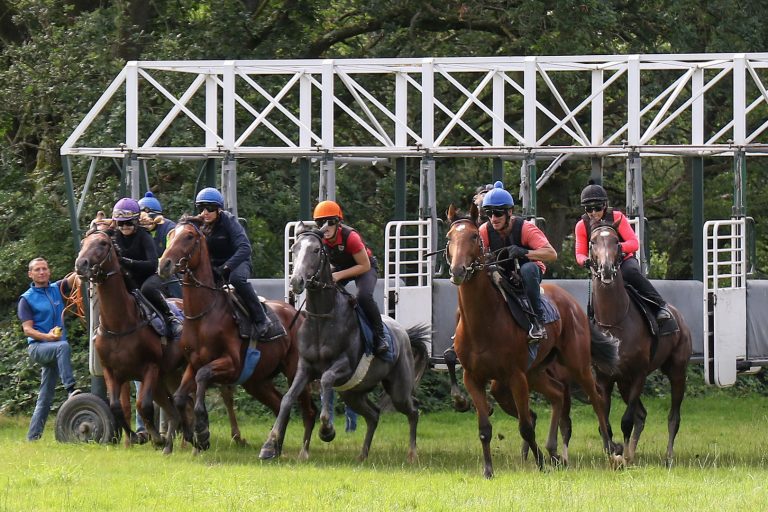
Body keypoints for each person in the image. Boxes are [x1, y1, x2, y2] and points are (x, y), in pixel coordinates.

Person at [574, 181, 672, 321]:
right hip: (600, 264)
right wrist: (585, 261)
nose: (594, 213)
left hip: (623, 261)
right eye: (589, 209)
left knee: (630, 272)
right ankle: (592, 320)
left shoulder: (617, 217)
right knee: (597, 285)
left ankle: (659, 305)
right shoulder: (581, 226)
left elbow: (634, 243)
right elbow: (579, 253)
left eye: (597, 207)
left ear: (605, 205)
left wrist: (616, 248)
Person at [481, 181, 557, 340]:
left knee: (528, 269)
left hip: (529, 273)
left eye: (498, 213)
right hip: (502, 272)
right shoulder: (484, 231)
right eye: (489, 213)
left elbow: (551, 254)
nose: (493, 218)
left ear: (510, 212)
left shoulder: (526, 228)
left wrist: (525, 252)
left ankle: (538, 320)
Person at [195, 187, 273, 339]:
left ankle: (261, 318)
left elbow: (245, 248)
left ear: (219, 210)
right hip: (215, 266)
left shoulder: (229, 221)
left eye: (210, 208)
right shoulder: (199, 224)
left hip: (238, 261)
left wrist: (226, 267)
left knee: (236, 279)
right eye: (201, 208)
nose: (205, 212)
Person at [313, 200, 388, 357]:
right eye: (320, 222)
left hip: (364, 267)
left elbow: (364, 266)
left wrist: (338, 275)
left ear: (338, 223)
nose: (325, 227)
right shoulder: (320, 239)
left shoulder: (351, 237)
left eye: (330, 222)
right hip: (340, 268)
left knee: (364, 296)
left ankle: (380, 336)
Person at [17, 257, 81, 441]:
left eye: (44, 268)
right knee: (63, 346)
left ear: (49, 271)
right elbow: (27, 329)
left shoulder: (56, 289)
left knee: (45, 397)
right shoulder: (26, 299)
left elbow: (77, 277)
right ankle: (71, 389)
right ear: (31, 274)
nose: (42, 272)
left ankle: (32, 437)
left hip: (54, 349)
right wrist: (48, 337)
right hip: (38, 348)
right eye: (37, 269)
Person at [111, 197, 183, 338]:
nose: (125, 226)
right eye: (121, 223)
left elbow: (152, 264)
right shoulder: (115, 236)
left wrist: (127, 262)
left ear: (137, 221)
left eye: (129, 223)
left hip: (151, 276)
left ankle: (170, 318)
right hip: (129, 277)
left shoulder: (144, 236)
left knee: (147, 289)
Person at [138, 191, 181, 298]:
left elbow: (170, 254)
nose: (145, 221)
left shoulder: (169, 228)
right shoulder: (135, 229)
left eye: (149, 216)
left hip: (164, 271)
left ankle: (179, 309)